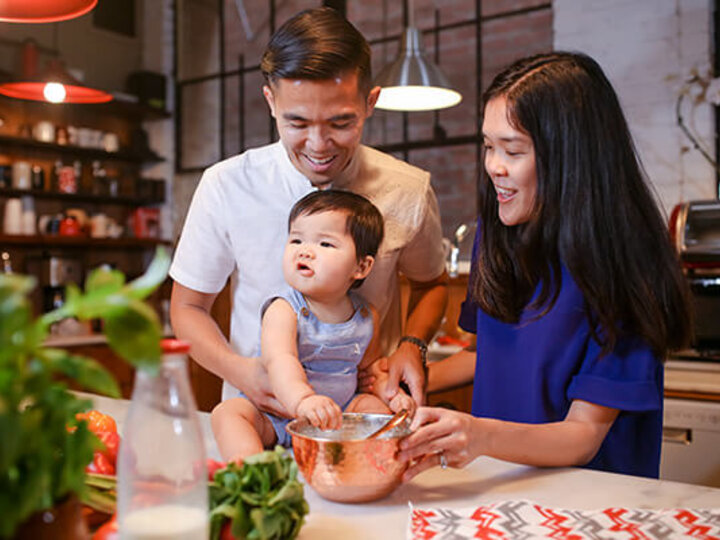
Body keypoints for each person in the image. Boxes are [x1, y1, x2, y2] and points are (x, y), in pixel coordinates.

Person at [397, 51, 693, 480]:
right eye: (488, 146)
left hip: (590, 505)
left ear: (571, 158)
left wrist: (478, 435)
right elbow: (492, 359)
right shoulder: (495, 237)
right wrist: (409, 380)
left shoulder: (627, 266)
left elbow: (583, 434)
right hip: (500, 489)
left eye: (512, 151)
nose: (493, 167)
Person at [169, 7, 447, 423]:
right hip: (259, 417)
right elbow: (188, 309)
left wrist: (413, 344)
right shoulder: (226, 184)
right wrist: (242, 372)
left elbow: (432, 285)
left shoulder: (406, 188)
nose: (319, 145)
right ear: (271, 101)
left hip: (363, 421)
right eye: (296, 122)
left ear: (370, 103)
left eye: (341, 122)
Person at [211, 190, 415, 461]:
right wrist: (303, 401)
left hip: (338, 417)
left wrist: (390, 395)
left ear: (362, 267)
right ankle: (250, 466)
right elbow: (280, 361)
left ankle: (365, 462)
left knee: (376, 411)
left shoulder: (366, 316)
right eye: (296, 240)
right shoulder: (284, 309)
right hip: (277, 413)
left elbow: (368, 371)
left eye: (325, 244)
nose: (305, 250)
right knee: (229, 413)